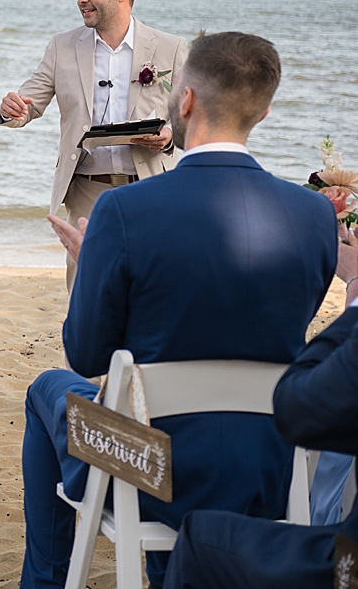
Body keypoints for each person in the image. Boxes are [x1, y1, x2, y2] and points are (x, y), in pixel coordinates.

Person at [18, 31, 337, 589]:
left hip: (151, 470)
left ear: (184, 101)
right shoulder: (313, 217)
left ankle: (43, 583)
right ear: (261, 114)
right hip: (269, 470)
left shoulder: (122, 210)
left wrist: (93, 263)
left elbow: (87, 351)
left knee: (49, 385)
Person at [162, 252, 358, 589]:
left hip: (347, 568)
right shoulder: (308, 216)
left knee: (200, 541)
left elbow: (297, 411)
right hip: (270, 474)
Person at [0, 0, 187, 290]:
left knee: (153, 281)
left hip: (151, 187)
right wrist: (13, 109)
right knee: (87, 284)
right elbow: (28, 104)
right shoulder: (62, 46)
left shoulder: (170, 48)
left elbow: (190, 118)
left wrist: (169, 137)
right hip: (87, 188)